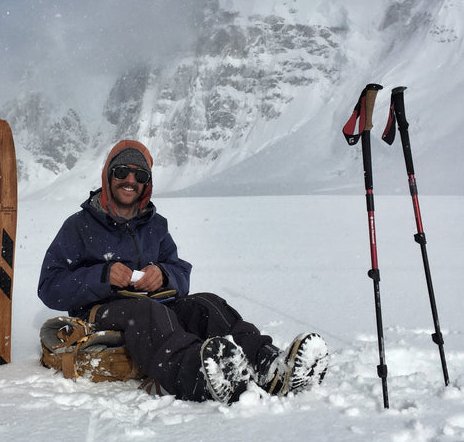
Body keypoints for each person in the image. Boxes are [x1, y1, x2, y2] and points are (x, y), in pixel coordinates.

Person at [38, 139, 328, 404]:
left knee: (206, 304)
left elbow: (180, 273)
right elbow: (49, 286)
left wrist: (163, 274)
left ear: (147, 183)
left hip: (155, 304)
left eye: (139, 175)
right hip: (101, 311)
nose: (130, 180)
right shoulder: (79, 225)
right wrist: (102, 276)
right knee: (147, 312)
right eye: (122, 172)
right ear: (108, 175)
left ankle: (267, 364)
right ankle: (201, 377)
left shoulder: (155, 224)